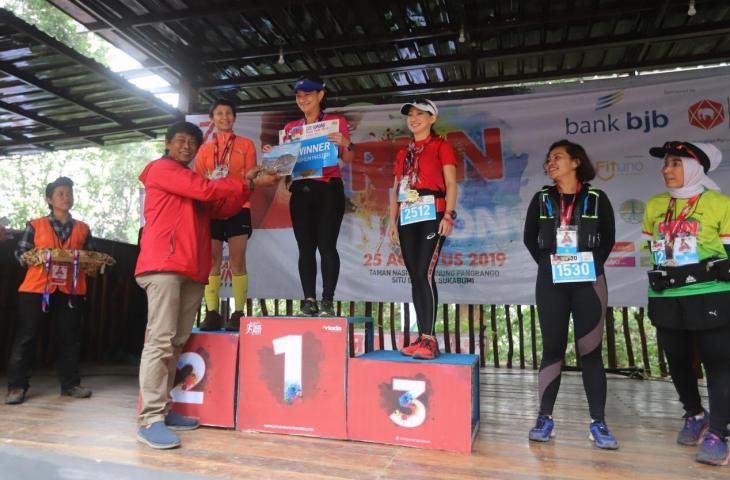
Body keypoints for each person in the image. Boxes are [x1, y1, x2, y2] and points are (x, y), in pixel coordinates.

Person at [135, 121, 278, 449]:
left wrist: (251, 185)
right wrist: (247, 179)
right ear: (168, 143)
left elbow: (220, 205)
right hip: (164, 266)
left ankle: (165, 409)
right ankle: (150, 417)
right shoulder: (160, 169)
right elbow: (207, 191)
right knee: (159, 341)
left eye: (192, 143)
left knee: (176, 342)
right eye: (180, 141)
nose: (186, 147)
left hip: (192, 268)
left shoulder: (194, 181)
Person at [523, 140, 618, 449]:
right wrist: (554, 267)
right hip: (551, 280)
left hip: (589, 282)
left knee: (589, 351)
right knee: (552, 349)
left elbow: (608, 240)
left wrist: (586, 265)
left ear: (576, 162)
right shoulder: (541, 199)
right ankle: (545, 418)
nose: (551, 163)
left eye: (558, 157)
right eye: (549, 159)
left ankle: (598, 423)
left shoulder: (596, 198)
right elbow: (529, 239)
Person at [643, 141, 730, 466]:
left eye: (675, 164)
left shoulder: (720, 204)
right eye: (666, 164)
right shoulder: (654, 205)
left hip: (710, 294)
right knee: (677, 361)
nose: (666, 170)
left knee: (718, 362)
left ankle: (718, 432)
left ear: (695, 167)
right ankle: (694, 414)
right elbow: (653, 248)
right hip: (666, 296)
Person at [262, 73, 353, 316]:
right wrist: (274, 154)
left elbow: (347, 158)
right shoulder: (292, 128)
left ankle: (327, 302)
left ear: (320, 95)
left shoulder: (336, 122)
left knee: (326, 246)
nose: (302, 99)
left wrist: (346, 143)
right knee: (305, 248)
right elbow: (282, 169)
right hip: (300, 191)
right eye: (299, 96)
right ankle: (309, 300)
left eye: (308, 94)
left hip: (328, 189)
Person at [6, 177, 95, 405]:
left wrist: (88, 263)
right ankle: (16, 387)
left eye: (69, 193)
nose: (67, 197)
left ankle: (70, 385)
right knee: (27, 337)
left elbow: (91, 257)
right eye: (61, 193)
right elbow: (20, 254)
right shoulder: (35, 225)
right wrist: (35, 257)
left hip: (71, 291)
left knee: (69, 338)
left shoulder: (83, 229)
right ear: (49, 199)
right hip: (36, 290)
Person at [387, 99, 457, 360]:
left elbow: (451, 183)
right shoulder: (403, 154)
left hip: (432, 212)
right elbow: (395, 189)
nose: (414, 118)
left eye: (420, 114)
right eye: (410, 115)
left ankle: (429, 340)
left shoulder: (442, 146)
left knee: (425, 273)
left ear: (432, 119)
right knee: (415, 275)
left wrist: (448, 215)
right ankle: (422, 337)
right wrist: (393, 222)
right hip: (408, 214)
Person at [194, 99, 257, 331]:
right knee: (212, 262)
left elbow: (251, 175)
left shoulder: (246, 144)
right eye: (219, 113)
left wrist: (253, 177)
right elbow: (199, 181)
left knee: (238, 261)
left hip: (240, 207)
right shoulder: (204, 149)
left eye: (228, 112)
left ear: (234, 117)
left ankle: (238, 312)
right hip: (211, 209)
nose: (224, 117)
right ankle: (211, 313)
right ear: (212, 119)